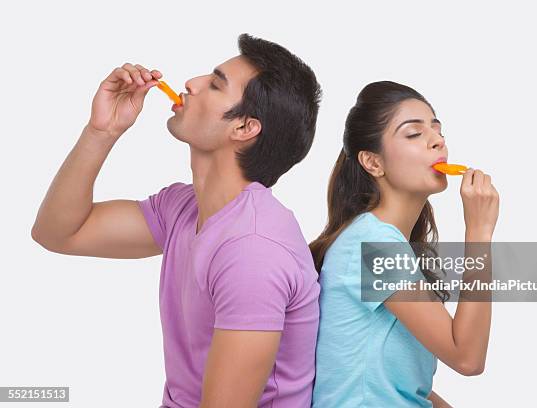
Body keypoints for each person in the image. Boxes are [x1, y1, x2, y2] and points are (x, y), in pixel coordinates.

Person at [31, 34, 322, 408]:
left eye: (215, 84)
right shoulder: (183, 208)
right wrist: (102, 132)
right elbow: (58, 234)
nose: (192, 83)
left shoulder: (253, 250)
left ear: (244, 128)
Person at [309, 81, 499, 407]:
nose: (437, 141)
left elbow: (405, 386)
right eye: (414, 134)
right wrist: (479, 233)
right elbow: (467, 358)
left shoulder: (381, 240)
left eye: (438, 131)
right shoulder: (373, 243)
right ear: (373, 162)